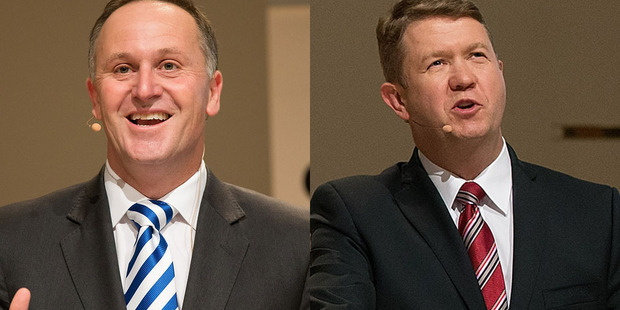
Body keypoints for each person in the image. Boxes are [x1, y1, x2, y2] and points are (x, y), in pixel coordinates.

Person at [307, 0, 620, 308]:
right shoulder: (356, 214)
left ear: (500, 73)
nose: (464, 78)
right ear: (398, 100)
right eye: (437, 63)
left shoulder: (599, 214)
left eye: (477, 55)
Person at [0, 0, 309, 309]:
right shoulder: (11, 241)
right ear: (95, 98)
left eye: (169, 65)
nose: (145, 90)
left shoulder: (299, 243)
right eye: (123, 69)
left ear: (212, 93)